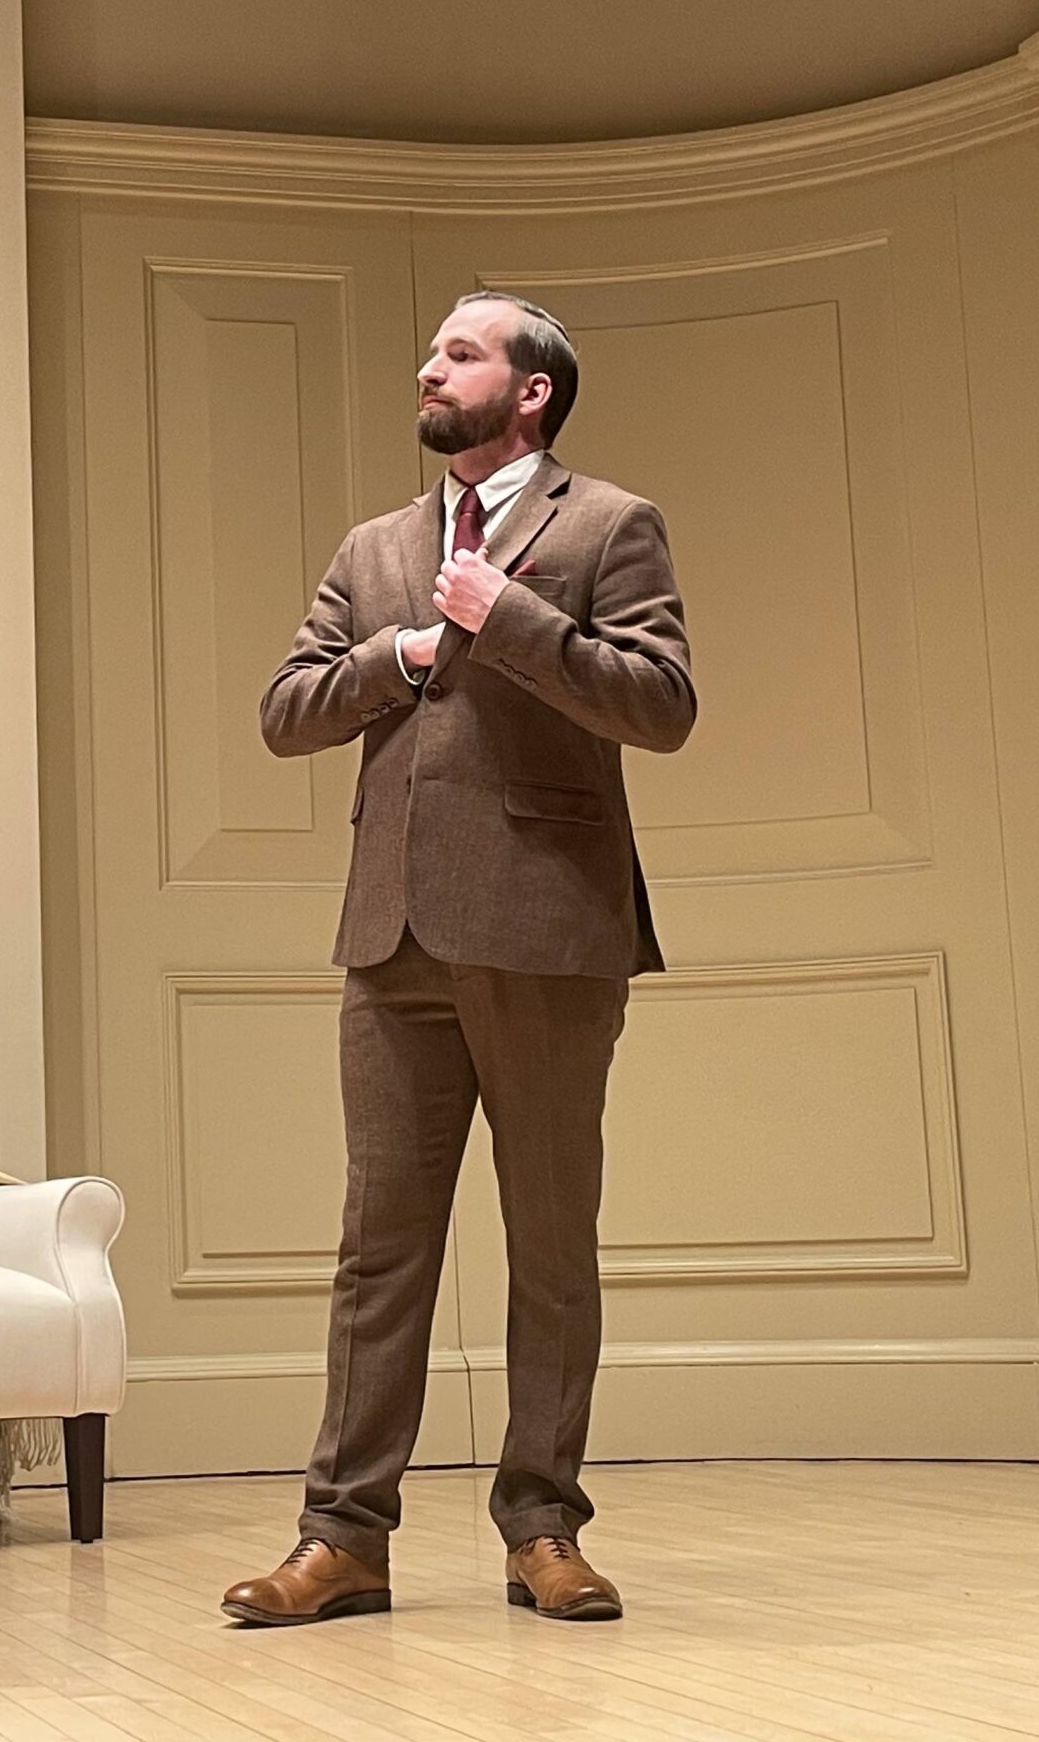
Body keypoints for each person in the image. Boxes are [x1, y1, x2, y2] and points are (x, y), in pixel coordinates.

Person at [222, 292, 695, 1627]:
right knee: (379, 1251)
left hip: (549, 933)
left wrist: (513, 619)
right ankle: (343, 1540)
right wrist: (404, 649)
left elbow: (662, 704)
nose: (430, 367)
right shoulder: (375, 548)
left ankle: (543, 1526)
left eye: (461, 353)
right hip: (392, 939)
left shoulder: (609, 525)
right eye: (429, 351)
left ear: (532, 389)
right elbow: (282, 711)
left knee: (549, 1245)